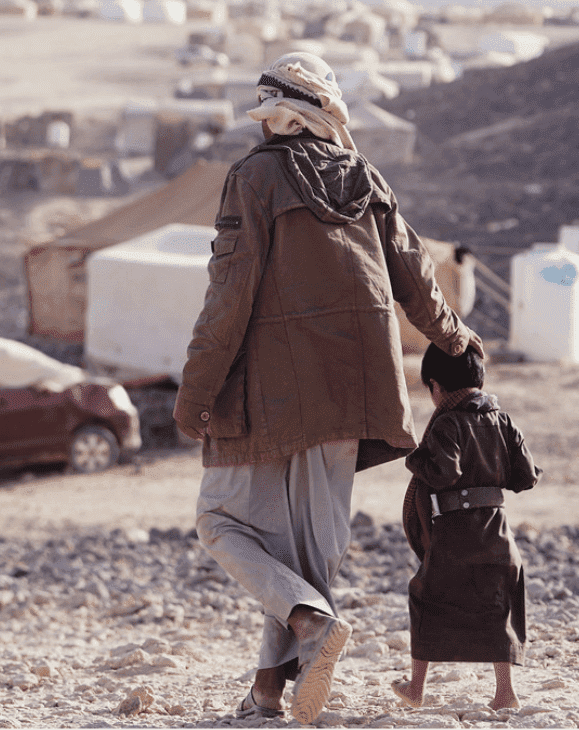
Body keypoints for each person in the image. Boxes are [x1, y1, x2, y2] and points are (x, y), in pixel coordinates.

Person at [172, 51, 485, 724]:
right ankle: (267, 691)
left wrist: (196, 391)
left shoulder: (252, 179)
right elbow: (418, 283)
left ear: (278, 117)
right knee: (307, 553)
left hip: (270, 395)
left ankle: (312, 627)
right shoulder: (368, 179)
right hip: (356, 390)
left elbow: (228, 298)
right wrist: (457, 339)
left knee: (220, 520)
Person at [393, 344, 542, 711]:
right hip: (499, 536)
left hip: (456, 537)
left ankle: (416, 689)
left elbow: (444, 473)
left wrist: (416, 458)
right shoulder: (504, 421)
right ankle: (505, 694)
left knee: (424, 597)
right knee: (499, 608)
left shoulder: (446, 423)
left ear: (436, 387)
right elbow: (526, 478)